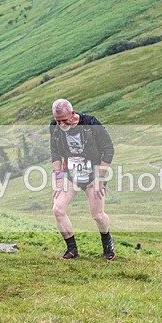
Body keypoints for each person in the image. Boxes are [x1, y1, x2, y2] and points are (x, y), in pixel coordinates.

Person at [50, 98, 116, 260]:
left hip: (93, 175)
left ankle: (107, 243)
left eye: (65, 121)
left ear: (73, 114)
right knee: (58, 209)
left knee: (97, 215)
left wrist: (100, 177)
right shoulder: (55, 127)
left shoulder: (91, 123)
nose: (62, 125)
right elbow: (55, 152)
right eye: (58, 121)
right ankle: (72, 249)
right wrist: (58, 178)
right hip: (70, 175)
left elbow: (108, 149)